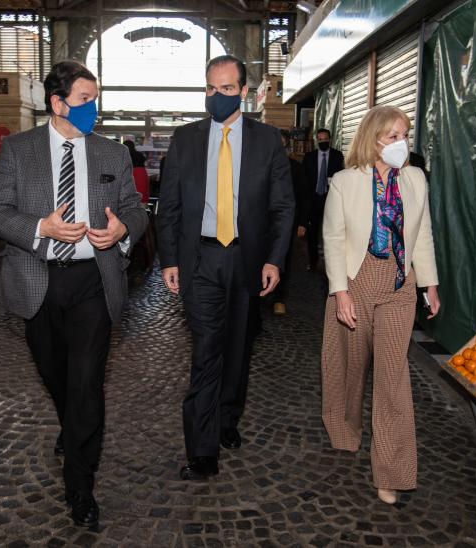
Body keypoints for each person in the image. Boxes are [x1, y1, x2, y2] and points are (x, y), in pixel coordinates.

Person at [0, 61, 148, 530]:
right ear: (57, 104)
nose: (93, 108)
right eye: (84, 100)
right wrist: (40, 227)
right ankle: (71, 424)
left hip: (94, 280)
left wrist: (121, 231)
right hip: (38, 279)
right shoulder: (18, 150)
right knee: (57, 375)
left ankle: (80, 484)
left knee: (87, 381)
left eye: (96, 99)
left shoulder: (113, 153)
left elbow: (136, 211)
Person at [156, 55, 294, 480]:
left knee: (238, 347)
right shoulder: (185, 140)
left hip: (247, 258)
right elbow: (170, 206)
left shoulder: (268, 140)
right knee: (207, 352)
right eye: (211, 89)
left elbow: (283, 206)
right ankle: (202, 450)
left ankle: (227, 418)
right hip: (201, 259)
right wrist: (169, 260)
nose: (217, 96)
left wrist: (274, 259)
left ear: (245, 92)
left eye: (227, 89)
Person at [320, 105, 440, 506]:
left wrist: (429, 284)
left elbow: (422, 234)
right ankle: (345, 430)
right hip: (356, 281)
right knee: (349, 367)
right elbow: (334, 240)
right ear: (372, 139)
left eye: (404, 135)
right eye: (392, 136)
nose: (400, 143)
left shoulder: (416, 179)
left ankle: (391, 471)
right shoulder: (344, 182)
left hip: (398, 287)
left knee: (393, 378)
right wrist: (340, 292)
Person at [271, 129, 308, 315]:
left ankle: (279, 298)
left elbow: (303, 197)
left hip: (286, 223)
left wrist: (302, 222)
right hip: (260, 224)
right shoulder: (257, 165)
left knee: (282, 259)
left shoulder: (295, 167)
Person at [301, 128, 344, 271]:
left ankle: (331, 262)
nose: (323, 141)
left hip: (330, 199)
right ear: (316, 141)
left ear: (330, 139)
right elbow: (305, 180)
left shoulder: (338, 156)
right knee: (312, 233)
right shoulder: (309, 157)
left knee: (331, 232)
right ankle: (312, 262)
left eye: (325, 139)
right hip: (313, 200)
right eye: (320, 139)